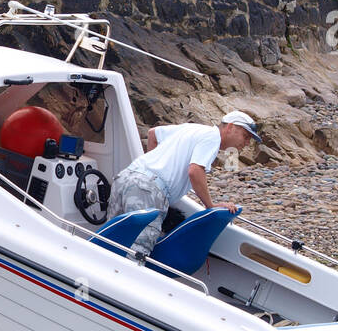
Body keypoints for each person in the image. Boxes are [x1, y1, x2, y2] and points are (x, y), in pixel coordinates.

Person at [107, 110, 263, 257]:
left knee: (110, 240)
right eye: (245, 136)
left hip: (126, 177)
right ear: (230, 127)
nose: (247, 143)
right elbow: (195, 171)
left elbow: (152, 133)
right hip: (148, 190)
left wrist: (153, 166)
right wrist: (211, 205)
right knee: (137, 251)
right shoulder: (213, 138)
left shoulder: (192, 129)